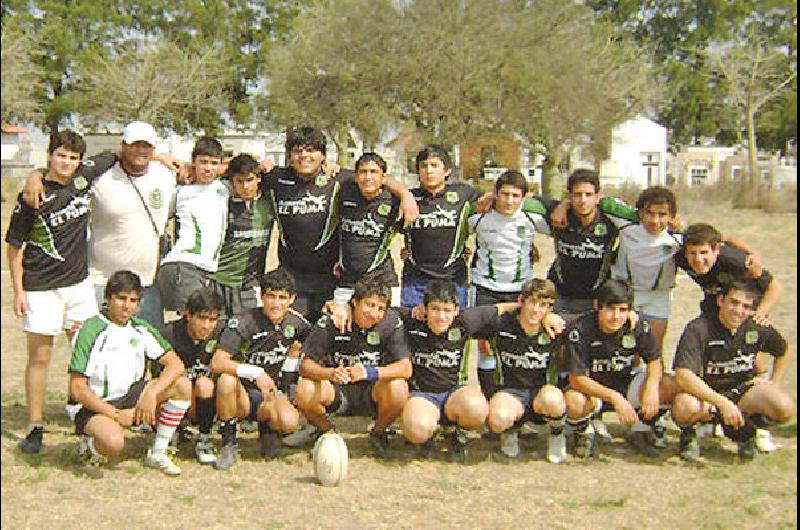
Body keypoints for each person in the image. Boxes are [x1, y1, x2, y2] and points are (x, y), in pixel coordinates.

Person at [5, 131, 116, 453]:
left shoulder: (84, 178)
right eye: (61, 155)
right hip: (41, 288)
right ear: (50, 155)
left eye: (72, 157)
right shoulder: (32, 196)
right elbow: (14, 247)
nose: (67, 162)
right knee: (40, 357)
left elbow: (115, 154)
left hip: (78, 285)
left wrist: (162, 158)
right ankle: (35, 426)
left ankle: (83, 411)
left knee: (87, 353)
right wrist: (18, 291)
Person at [23, 121, 181, 327]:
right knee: (98, 351)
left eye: (146, 146)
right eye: (134, 145)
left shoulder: (167, 174)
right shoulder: (100, 176)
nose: (141, 151)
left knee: (147, 352)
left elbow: (210, 170)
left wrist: (162, 158)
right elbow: (63, 172)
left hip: (146, 286)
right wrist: (35, 176)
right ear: (123, 145)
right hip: (102, 283)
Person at [262, 126, 418, 324]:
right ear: (290, 155)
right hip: (293, 276)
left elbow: (374, 178)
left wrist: (406, 195)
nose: (304, 156)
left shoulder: (338, 178)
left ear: (323, 155)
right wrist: (260, 164)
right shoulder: (276, 178)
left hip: (331, 276)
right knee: (292, 334)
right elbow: (237, 171)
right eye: (298, 150)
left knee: (329, 336)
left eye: (311, 150)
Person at [68, 270, 191, 476]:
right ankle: (89, 447)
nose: (127, 306)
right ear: (108, 299)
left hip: (130, 397)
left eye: (133, 300)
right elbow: (77, 388)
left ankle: (158, 451)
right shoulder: (91, 330)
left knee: (182, 385)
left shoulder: (141, 328)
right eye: (121, 298)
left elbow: (175, 365)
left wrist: (151, 393)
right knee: (113, 443)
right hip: (95, 404)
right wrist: (115, 414)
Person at [671, 281, 794, 462]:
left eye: (746, 306)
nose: (738, 311)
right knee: (684, 406)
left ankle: (747, 432)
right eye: (734, 303)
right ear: (721, 300)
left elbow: (783, 351)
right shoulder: (699, 328)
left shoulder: (756, 326)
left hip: (742, 394)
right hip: (707, 396)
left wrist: (773, 382)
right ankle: (691, 434)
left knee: (784, 406)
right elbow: (683, 375)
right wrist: (722, 403)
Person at [293, 276, 411, 457]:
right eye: (369, 305)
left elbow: (405, 368)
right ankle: (326, 431)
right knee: (304, 390)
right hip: (337, 391)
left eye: (380, 308)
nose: (374, 313)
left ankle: (378, 432)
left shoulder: (391, 322)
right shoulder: (332, 321)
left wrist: (368, 372)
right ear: (354, 302)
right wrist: (331, 373)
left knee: (399, 388)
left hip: (372, 392)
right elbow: (305, 366)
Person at [399, 280, 516, 462]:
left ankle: (459, 439)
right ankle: (428, 437)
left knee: (477, 408)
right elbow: (383, 312)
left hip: (454, 393)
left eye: (447, 310)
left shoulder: (465, 320)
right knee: (416, 429)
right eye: (435, 309)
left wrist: (543, 314)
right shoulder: (412, 320)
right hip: (422, 395)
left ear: (456, 310)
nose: (441, 317)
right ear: (424, 308)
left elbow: (500, 308)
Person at [210, 268, 312, 470]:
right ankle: (229, 442)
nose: (276, 303)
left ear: (292, 299)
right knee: (226, 380)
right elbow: (218, 362)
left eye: (282, 298)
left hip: (271, 394)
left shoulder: (296, 323)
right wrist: (256, 373)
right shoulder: (244, 321)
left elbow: (314, 347)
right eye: (271, 296)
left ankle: (268, 433)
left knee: (289, 421)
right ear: (261, 296)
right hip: (241, 395)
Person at [564, 279, 678, 459]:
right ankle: (583, 431)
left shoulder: (636, 325)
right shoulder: (581, 329)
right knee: (574, 400)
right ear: (597, 306)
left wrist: (651, 387)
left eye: (623, 310)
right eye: (610, 308)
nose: (616, 316)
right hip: (593, 392)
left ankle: (641, 429)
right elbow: (577, 379)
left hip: (625, 383)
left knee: (669, 384)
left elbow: (654, 360)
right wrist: (614, 397)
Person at [486, 279, 569, 463]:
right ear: (521, 301)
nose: (536, 310)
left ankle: (556, 434)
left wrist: (632, 316)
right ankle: (510, 431)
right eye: (532, 302)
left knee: (553, 400)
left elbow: (591, 320)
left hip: (542, 393)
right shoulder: (501, 324)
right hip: (511, 393)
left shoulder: (557, 326)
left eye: (544, 306)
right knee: (497, 418)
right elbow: (478, 313)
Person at [546, 169, 638, 317]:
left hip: (596, 298)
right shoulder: (558, 216)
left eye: (588, 195)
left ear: (597, 197)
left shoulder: (609, 219)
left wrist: (673, 221)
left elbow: (642, 216)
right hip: (561, 295)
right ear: (569, 197)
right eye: (577, 195)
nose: (583, 200)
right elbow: (527, 203)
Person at [401, 145, 482, 309]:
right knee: (414, 328)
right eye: (423, 166)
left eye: (434, 165)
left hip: (453, 278)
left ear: (447, 170)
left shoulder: (464, 194)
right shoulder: (409, 198)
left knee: (452, 328)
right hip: (415, 279)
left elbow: (496, 202)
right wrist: (403, 194)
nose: (428, 171)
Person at [157, 136, 228, 317]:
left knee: (202, 326)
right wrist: (162, 158)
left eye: (213, 163)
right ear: (193, 162)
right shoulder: (181, 191)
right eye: (203, 162)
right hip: (183, 266)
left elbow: (249, 162)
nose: (208, 168)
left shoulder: (223, 188)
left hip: (202, 270)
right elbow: (159, 218)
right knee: (194, 325)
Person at [157, 287, 224, 465]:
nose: (207, 325)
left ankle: (204, 438)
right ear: (188, 315)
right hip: (175, 397)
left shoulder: (223, 334)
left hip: (204, 401)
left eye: (212, 319)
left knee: (205, 384)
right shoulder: (168, 335)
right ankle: (169, 432)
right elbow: (157, 379)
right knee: (177, 382)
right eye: (201, 318)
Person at [211, 154, 276, 323]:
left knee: (250, 333)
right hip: (219, 281)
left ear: (258, 178)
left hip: (251, 283)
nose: (245, 186)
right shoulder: (220, 201)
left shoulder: (269, 200)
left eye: (249, 180)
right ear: (232, 181)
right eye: (239, 181)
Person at [677, 223, 782, 326]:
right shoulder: (680, 258)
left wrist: (760, 313)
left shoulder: (736, 262)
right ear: (686, 253)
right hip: (715, 303)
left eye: (704, 252)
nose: (698, 260)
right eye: (692, 253)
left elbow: (774, 287)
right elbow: (723, 237)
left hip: (745, 310)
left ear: (716, 249)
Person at [332, 152, 401, 305]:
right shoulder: (345, 192)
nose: (368, 177)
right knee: (337, 323)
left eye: (373, 172)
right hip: (348, 281)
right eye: (363, 172)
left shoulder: (395, 201)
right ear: (356, 176)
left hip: (383, 280)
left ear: (384, 178)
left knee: (389, 325)